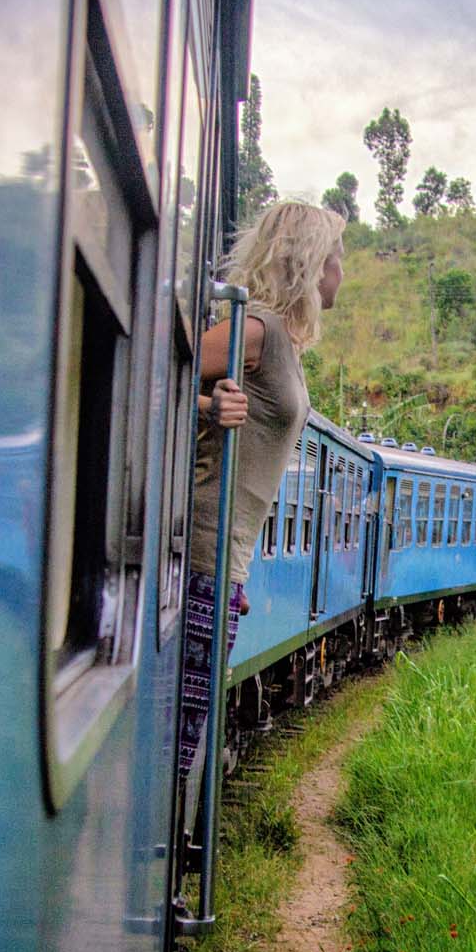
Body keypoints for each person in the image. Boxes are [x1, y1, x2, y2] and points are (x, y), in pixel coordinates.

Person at [176, 201, 346, 779]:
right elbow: (153, 368)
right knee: (179, 736)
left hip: (226, 561)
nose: (342, 272)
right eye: (337, 257)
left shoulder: (285, 345)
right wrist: (207, 404)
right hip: (204, 549)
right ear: (311, 262)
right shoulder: (258, 330)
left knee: (189, 727)